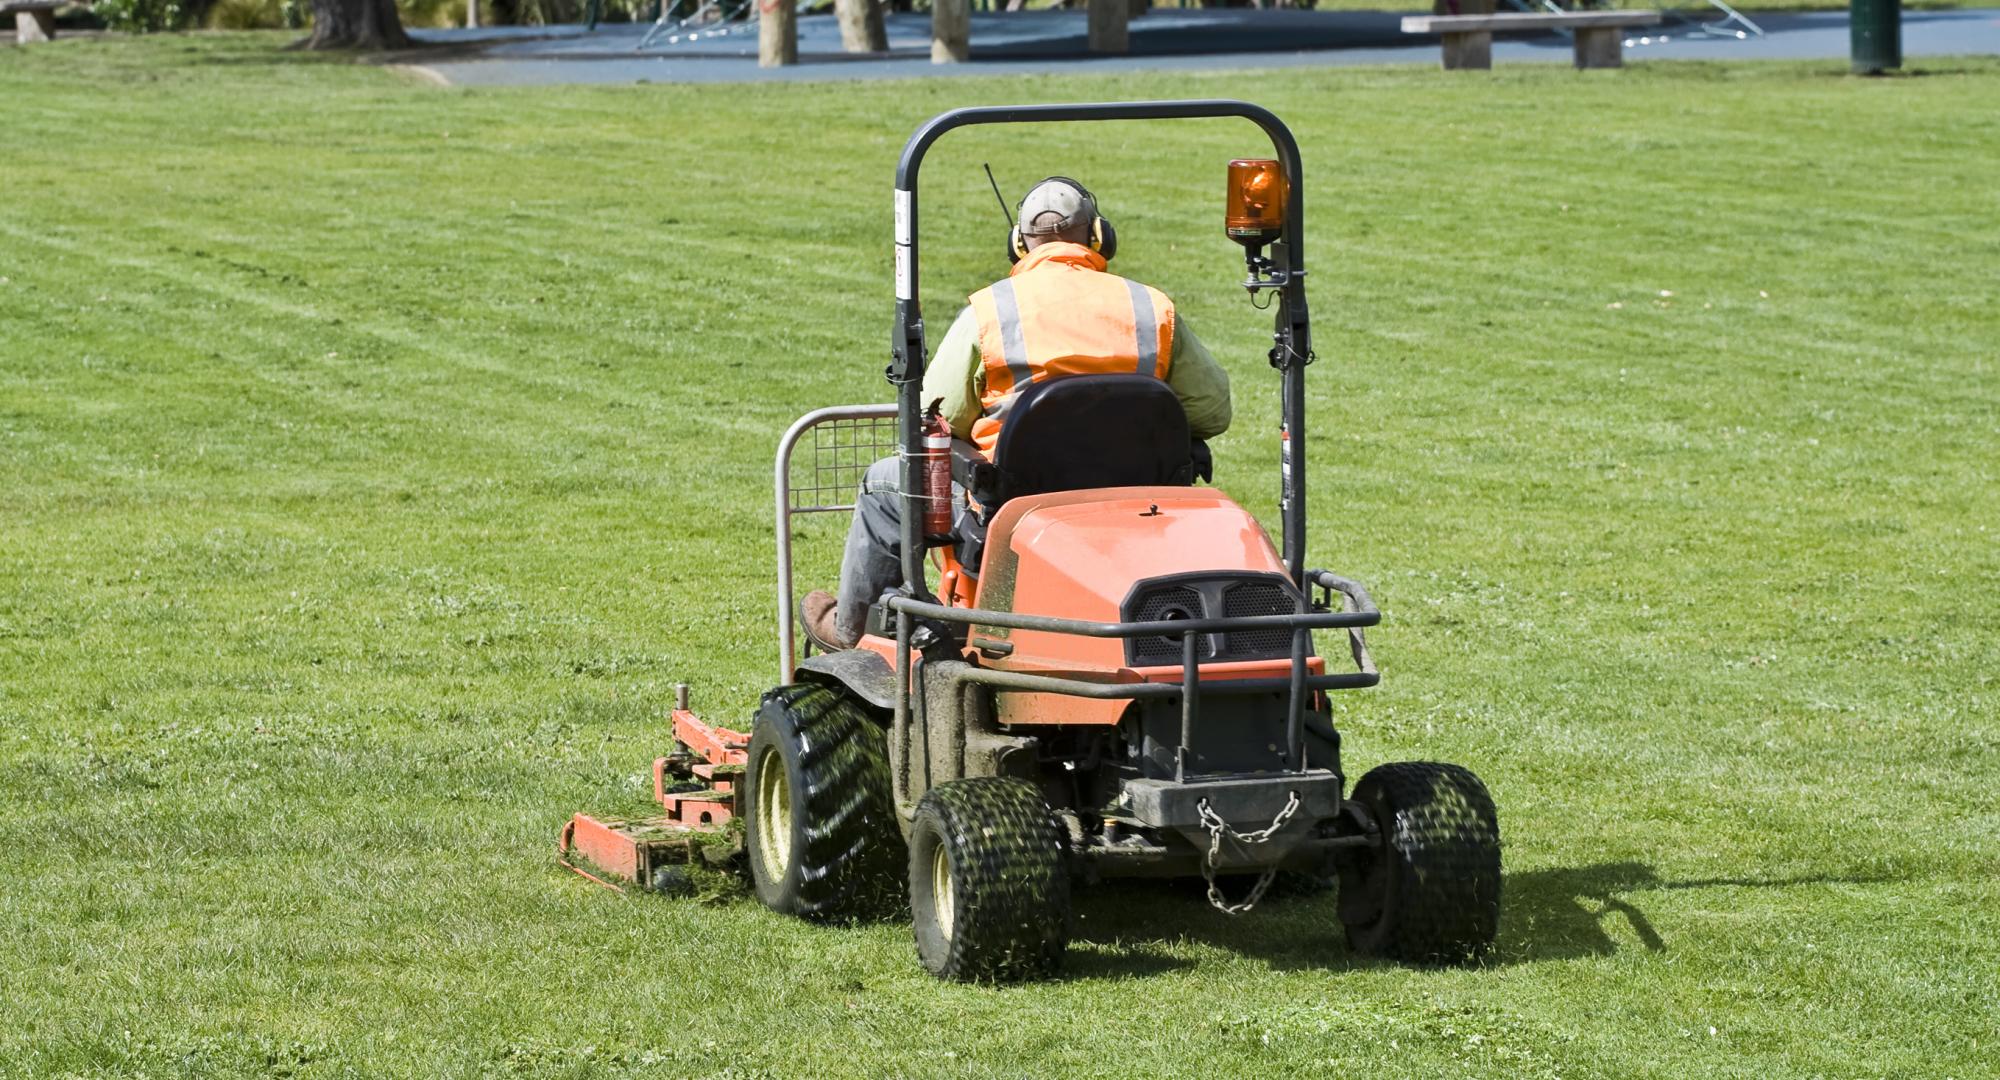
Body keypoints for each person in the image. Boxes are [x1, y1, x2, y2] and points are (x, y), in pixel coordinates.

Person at [802, 177, 1233, 650]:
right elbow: (1212, 411)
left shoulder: (990, 312)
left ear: (1019, 244)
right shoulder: (1151, 308)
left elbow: (932, 415)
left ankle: (853, 633)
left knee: (883, 483)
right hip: (1136, 511)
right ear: (1098, 235)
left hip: (1014, 511)